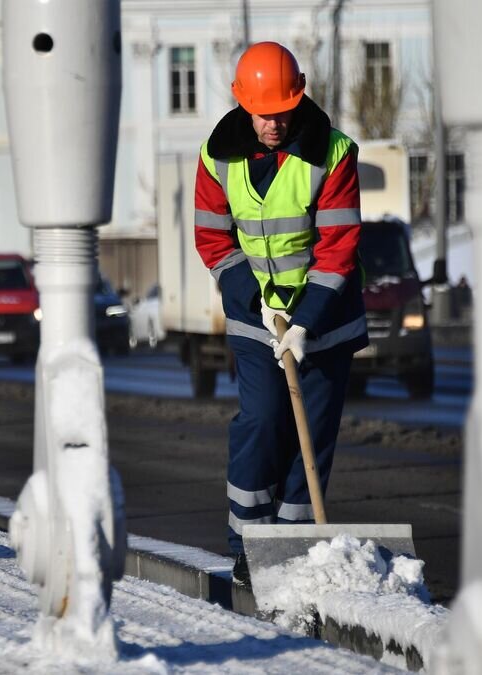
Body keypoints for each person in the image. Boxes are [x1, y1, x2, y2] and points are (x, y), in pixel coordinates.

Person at [193, 42, 368, 585]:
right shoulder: (216, 156)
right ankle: (248, 543)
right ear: (243, 103)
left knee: (309, 441)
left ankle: (291, 552)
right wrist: (254, 297)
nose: (273, 122)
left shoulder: (332, 154)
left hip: (326, 322)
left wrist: (305, 321)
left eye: (283, 110)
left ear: (301, 95)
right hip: (255, 322)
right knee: (264, 422)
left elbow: (338, 245)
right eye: (263, 112)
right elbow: (213, 240)